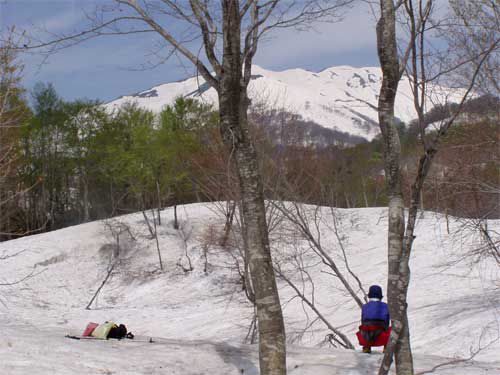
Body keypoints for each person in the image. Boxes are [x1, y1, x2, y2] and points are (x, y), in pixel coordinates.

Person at [356, 285, 391, 353]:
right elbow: (387, 323)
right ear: (380, 296)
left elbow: (363, 322)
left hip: (365, 339)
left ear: (369, 296)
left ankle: (367, 348)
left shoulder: (364, 307)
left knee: (366, 327)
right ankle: (386, 349)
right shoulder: (386, 306)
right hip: (381, 338)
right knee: (391, 329)